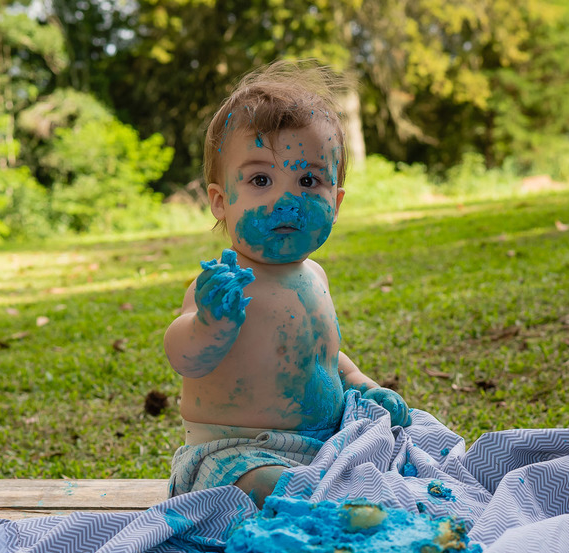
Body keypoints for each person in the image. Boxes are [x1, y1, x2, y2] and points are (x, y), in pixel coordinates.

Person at [164, 61, 411, 506]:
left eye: (308, 180)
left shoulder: (314, 276)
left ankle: (342, 500)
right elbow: (184, 358)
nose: (286, 199)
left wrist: (365, 385)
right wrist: (208, 325)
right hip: (237, 454)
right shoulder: (225, 286)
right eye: (261, 179)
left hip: (323, 445)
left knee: (412, 438)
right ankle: (327, 510)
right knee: (269, 486)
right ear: (221, 202)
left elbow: (323, 354)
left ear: (334, 203)